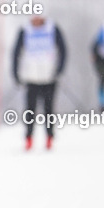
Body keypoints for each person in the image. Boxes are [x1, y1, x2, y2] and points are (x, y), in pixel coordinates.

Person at [12, 15, 67, 150]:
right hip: (31, 77)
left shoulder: (52, 28)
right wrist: (15, 73)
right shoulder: (25, 30)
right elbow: (16, 52)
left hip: (49, 76)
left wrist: (59, 70)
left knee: (49, 109)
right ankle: (29, 138)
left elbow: (63, 50)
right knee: (30, 110)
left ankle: (49, 137)